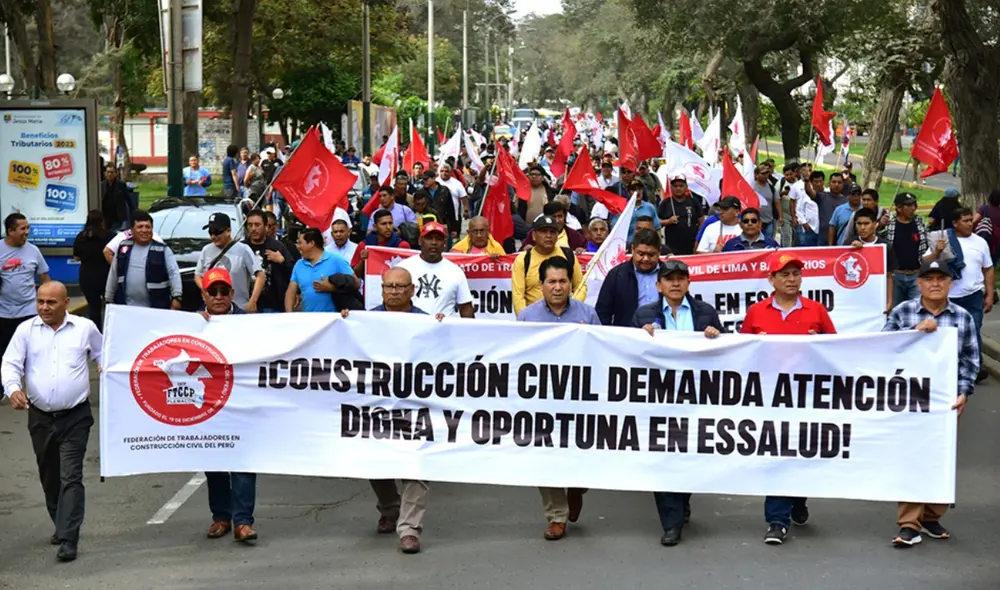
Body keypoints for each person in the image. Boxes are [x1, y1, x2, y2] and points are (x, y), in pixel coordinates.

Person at [341, 266, 440, 554]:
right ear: (381, 289)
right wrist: (345, 325)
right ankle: (389, 507)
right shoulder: (366, 320)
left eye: (400, 287)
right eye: (388, 287)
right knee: (377, 462)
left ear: (412, 290)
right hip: (377, 407)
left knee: (415, 467)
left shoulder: (427, 323)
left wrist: (444, 329)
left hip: (415, 408)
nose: (394, 292)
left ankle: (409, 529)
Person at [1, 281, 102, 562]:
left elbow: (102, 352)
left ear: (66, 303)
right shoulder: (26, 331)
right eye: (40, 302)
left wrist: (103, 365)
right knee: (50, 475)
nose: (44, 307)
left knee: (72, 475)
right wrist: (13, 389)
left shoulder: (84, 328)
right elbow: (10, 363)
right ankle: (60, 521)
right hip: (41, 417)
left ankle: (69, 537)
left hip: (76, 416)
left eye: (51, 302)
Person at [741, 251, 836, 545]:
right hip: (770, 396)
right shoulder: (756, 312)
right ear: (772, 280)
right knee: (777, 456)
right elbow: (743, 352)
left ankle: (797, 498)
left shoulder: (816, 310)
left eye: (796, 274)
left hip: (808, 396)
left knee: (802, 452)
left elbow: (837, 350)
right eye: (784, 274)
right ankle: (777, 521)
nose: (791, 279)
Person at [883, 259, 977, 547]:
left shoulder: (963, 317)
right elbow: (883, 347)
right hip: (911, 396)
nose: (935, 284)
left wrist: (963, 392)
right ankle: (909, 523)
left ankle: (932, 516)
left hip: (947, 399)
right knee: (913, 455)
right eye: (929, 279)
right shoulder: (903, 311)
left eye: (941, 279)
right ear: (919, 283)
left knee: (941, 454)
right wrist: (914, 331)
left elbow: (970, 359)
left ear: (950, 283)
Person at [632, 259, 724, 546]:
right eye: (669, 279)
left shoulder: (705, 313)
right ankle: (670, 523)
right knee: (664, 457)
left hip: (696, 397)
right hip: (658, 398)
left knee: (689, 456)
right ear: (659, 285)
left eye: (680, 278)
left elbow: (724, 353)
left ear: (688, 283)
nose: (675, 283)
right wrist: (638, 337)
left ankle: (682, 499)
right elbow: (627, 355)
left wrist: (716, 337)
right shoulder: (643, 315)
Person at [516, 256, 600, 540]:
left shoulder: (587, 315)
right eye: (551, 281)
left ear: (571, 284)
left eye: (563, 281)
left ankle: (577, 485)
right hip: (543, 398)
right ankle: (556, 516)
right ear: (541, 285)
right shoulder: (527, 317)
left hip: (580, 398)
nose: (557, 287)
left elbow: (605, 355)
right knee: (544, 456)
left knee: (580, 453)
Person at [195, 268, 259, 544]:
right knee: (215, 463)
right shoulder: (193, 323)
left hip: (242, 402)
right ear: (204, 295)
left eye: (224, 291)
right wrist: (193, 326)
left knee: (243, 462)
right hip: (208, 405)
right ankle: (221, 516)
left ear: (233, 294)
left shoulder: (249, 323)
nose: (219, 297)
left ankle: (243, 522)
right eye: (213, 292)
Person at [923, 206, 994, 382]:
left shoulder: (980, 242)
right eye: (966, 221)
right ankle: (944, 366)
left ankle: (974, 368)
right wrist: (937, 252)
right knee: (945, 333)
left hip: (973, 295)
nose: (970, 224)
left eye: (971, 220)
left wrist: (990, 294)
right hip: (948, 297)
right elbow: (924, 263)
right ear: (955, 223)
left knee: (974, 331)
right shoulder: (943, 239)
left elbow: (988, 269)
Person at [0, 213, 51, 394]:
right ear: (10, 231)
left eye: (28, 228)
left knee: (33, 354)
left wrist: (50, 305)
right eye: (23, 229)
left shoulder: (33, 251)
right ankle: (6, 388)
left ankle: (37, 390)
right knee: (5, 354)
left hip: (30, 311)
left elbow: (45, 278)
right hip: (4, 313)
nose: (27, 232)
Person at [105, 210, 183, 310]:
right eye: (140, 227)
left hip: (156, 307)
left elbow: (174, 273)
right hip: (126, 308)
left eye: (148, 227)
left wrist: (177, 297)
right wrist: (108, 298)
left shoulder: (163, 250)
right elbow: (113, 274)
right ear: (132, 230)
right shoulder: (123, 248)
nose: (144, 230)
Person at [397, 222, 475, 318]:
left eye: (438, 239)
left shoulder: (455, 272)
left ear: (445, 243)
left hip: (444, 330)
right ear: (420, 241)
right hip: (412, 329)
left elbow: (465, 308)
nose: (434, 242)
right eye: (429, 238)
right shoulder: (403, 268)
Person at [512, 215, 586, 315]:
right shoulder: (523, 260)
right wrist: (525, 320)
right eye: (543, 231)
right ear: (533, 235)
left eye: (552, 232)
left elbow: (580, 286)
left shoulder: (568, 256)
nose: (548, 235)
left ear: (557, 236)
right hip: (535, 320)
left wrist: (572, 310)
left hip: (565, 316)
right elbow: (518, 296)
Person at [195, 213, 265, 312]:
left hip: (239, 309)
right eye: (211, 233)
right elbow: (198, 275)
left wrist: (253, 301)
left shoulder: (243, 249)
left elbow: (260, 275)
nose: (213, 236)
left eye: (217, 232)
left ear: (228, 231)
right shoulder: (206, 250)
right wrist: (210, 292)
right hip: (213, 311)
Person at [596, 229, 664, 327]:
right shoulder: (617, 275)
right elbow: (602, 312)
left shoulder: (668, 275)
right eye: (641, 254)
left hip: (663, 336)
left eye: (651, 255)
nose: (645, 259)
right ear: (632, 249)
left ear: (659, 252)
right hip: (627, 337)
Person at [287, 228, 356, 313]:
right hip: (309, 321)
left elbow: (356, 284)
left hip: (334, 320)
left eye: (300, 243)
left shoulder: (336, 260)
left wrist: (332, 288)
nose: (298, 246)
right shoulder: (299, 265)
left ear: (311, 243)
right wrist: (288, 315)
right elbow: (290, 293)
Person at [879, 192, 928, 306]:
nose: (913, 208)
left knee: (917, 309)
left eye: (914, 205)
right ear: (899, 208)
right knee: (895, 309)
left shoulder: (919, 222)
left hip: (916, 274)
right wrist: (880, 225)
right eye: (909, 205)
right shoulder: (890, 223)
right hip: (895, 276)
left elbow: (928, 241)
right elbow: (875, 238)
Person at [244, 209, 294, 314]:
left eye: (257, 225)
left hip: (273, 305)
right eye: (250, 225)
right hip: (245, 304)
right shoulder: (242, 247)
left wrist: (282, 261)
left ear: (266, 226)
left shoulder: (277, 246)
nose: (253, 229)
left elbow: (294, 273)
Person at [851, 208, 897, 313]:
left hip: (877, 298)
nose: (862, 228)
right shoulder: (848, 245)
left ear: (875, 224)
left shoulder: (885, 246)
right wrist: (851, 249)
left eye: (866, 224)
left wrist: (889, 300)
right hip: (855, 299)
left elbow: (889, 276)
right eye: (859, 224)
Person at [72, 210, 111, 328]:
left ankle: (96, 333)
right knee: (110, 306)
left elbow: (76, 257)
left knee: (94, 308)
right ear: (102, 221)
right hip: (106, 275)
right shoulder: (109, 236)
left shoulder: (81, 237)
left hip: (87, 275)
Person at [351, 210, 411, 275]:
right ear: (375, 227)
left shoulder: (402, 246)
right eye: (383, 224)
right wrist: (362, 261)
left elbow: (410, 272)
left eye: (390, 223)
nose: (388, 227)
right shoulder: (364, 246)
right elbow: (355, 274)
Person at [658, 175, 704, 255]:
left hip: (692, 245)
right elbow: (657, 223)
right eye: (675, 186)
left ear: (686, 187)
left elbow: (701, 221)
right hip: (672, 247)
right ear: (671, 187)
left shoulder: (694, 202)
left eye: (681, 186)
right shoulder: (665, 203)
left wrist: (699, 238)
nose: (678, 188)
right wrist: (668, 221)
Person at [521, 201, 587, 251]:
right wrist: (526, 249)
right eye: (553, 217)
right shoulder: (535, 234)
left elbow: (587, 252)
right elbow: (520, 254)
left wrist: (582, 250)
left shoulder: (574, 235)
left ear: (565, 216)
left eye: (560, 216)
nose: (557, 220)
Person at [775, 163, 804, 247]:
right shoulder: (781, 183)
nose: (789, 176)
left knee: (795, 236)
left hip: (796, 213)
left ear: (795, 173)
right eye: (786, 175)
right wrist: (782, 194)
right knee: (786, 235)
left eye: (790, 174)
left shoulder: (799, 184)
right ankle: (785, 252)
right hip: (784, 213)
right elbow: (775, 198)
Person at [815, 172, 846, 245]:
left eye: (839, 182)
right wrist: (806, 182)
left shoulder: (846, 202)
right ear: (829, 183)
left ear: (843, 184)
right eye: (834, 182)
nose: (836, 184)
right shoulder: (822, 197)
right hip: (823, 239)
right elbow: (810, 192)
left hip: (840, 240)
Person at [751, 165, 780, 239]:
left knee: (768, 241)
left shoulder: (771, 187)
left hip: (769, 221)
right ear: (756, 175)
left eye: (767, 173)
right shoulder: (750, 187)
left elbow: (777, 202)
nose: (765, 175)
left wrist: (781, 216)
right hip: (755, 222)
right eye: (763, 173)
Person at [100, 165, 130, 230]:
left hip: (117, 215)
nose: (109, 174)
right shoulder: (101, 185)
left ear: (115, 174)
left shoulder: (121, 185)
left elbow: (128, 199)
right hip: (105, 215)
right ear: (105, 173)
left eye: (111, 172)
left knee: (114, 231)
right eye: (108, 172)